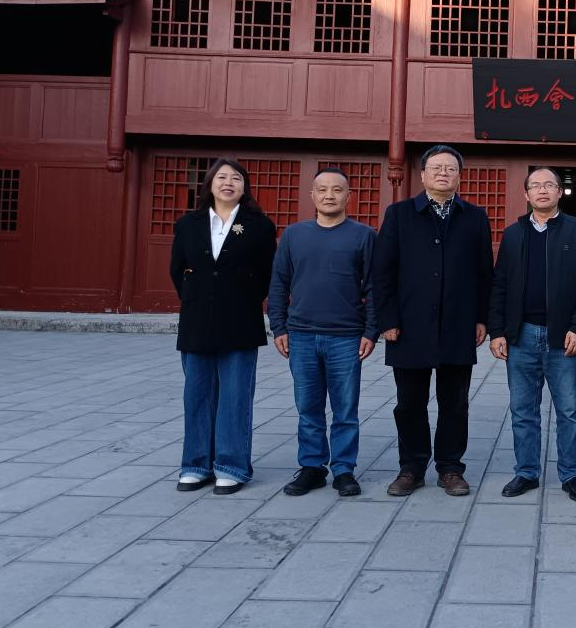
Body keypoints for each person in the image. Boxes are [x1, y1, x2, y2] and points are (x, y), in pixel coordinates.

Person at [372, 145, 493, 497]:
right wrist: (387, 318)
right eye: (436, 168)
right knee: (409, 402)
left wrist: (482, 318)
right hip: (408, 325)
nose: (443, 173)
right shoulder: (399, 214)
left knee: (455, 402)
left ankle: (450, 468)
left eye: (450, 169)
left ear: (459, 177)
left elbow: (484, 273)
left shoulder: (475, 217)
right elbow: (383, 271)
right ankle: (411, 467)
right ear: (423, 174)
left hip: (458, 322)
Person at [489, 167, 576, 502]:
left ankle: (572, 475)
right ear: (526, 194)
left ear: (559, 192)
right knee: (523, 410)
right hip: (521, 336)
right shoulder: (514, 234)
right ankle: (526, 472)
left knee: (569, 410)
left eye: (549, 185)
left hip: (564, 337)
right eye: (535, 186)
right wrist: (497, 330)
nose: (542, 191)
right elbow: (500, 285)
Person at [268, 168, 378, 498]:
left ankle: (344, 469)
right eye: (323, 189)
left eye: (337, 190)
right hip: (301, 335)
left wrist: (371, 330)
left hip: (346, 336)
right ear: (312, 195)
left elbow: (374, 287)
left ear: (348, 196)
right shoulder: (293, 235)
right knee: (308, 407)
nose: (330, 195)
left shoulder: (363, 236)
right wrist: (278, 326)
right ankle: (312, 467)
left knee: (345, 409)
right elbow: (279, 283)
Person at [170, 158, 276, 495]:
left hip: (240, 320)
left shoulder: (259, 225)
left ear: (245, 187)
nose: (228, 182)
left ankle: (231, 465)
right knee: (196, 395)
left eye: (236, 178)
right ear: (210, 184)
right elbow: (177, 270)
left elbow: (267, 273)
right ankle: (196, 464)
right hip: (196, 321)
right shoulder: (189, 224)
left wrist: (239, 298)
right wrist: (199, 296)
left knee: (235, 397)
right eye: (222, 177)